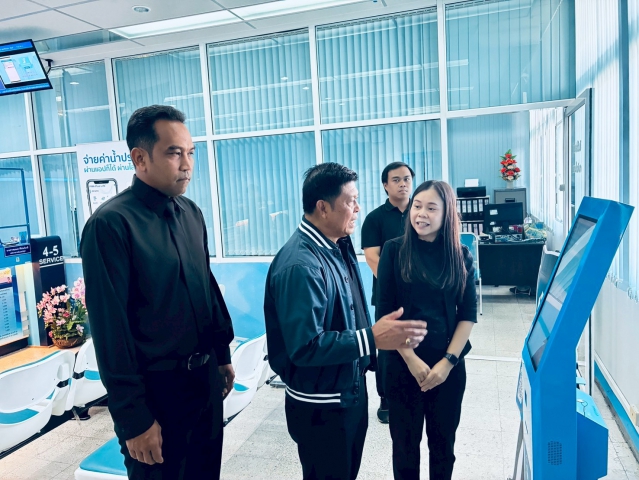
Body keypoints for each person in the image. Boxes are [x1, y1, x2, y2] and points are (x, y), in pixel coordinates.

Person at [80, 105, 235, 480]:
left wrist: (221, 354)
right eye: (174, 153)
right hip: (157, 397)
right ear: (140, 158)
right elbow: (110, 330)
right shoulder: (111, 225)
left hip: (204, 387)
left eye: (191, 152)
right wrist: (133, 419)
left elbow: (206, 289)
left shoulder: (191, 213)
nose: (187, 164)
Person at [264, 163, 428, 480]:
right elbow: (305, 346)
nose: (357, 208)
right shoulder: (301, 265)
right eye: (350, 201)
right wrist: (372, 339)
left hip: (346, 390)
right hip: (322, 406)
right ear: (323, 207)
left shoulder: (336, 244)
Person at [377, 180, 477, 480]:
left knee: (443, 448)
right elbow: (384, 314)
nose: (421, 214)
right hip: (401, 364)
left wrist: (448, 363)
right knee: (405, 449)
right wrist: (411, 360)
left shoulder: (460, 255)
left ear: (447, 214)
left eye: (431, 208)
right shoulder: (394, 251)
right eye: (417, 206)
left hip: (447, 367)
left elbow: (467, 316)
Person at [361, 161, 415, 423]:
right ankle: (386, 399)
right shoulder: (375, 219)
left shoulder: (421, 213)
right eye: (396, 180)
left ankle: (416, 389)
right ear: (385, 185)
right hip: (388, 295)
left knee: (417, 340)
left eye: (406, 179)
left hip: (420, 293)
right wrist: (394, 285)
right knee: (389, 346)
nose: (403, 184)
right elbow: (372, 257)